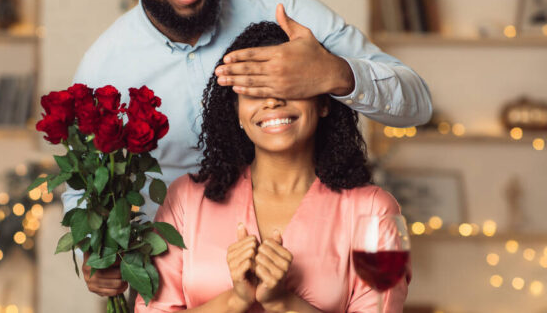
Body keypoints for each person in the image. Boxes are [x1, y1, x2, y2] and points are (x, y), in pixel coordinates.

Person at [69, 0, 430, 298]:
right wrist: (94, 253)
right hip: (172, 281)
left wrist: (334, 72)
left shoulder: (280, 8)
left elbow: (417, 103)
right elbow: (86, 185)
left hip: (310, 252)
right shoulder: (104, 69)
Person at [134, 22, 409, 312]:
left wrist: (283, 302)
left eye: (289, 84)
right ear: (236, 111)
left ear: (323, 102)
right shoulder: (186, 199)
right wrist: (235, 299)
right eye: (254, 89)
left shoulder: (375, 212)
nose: (272, 100)